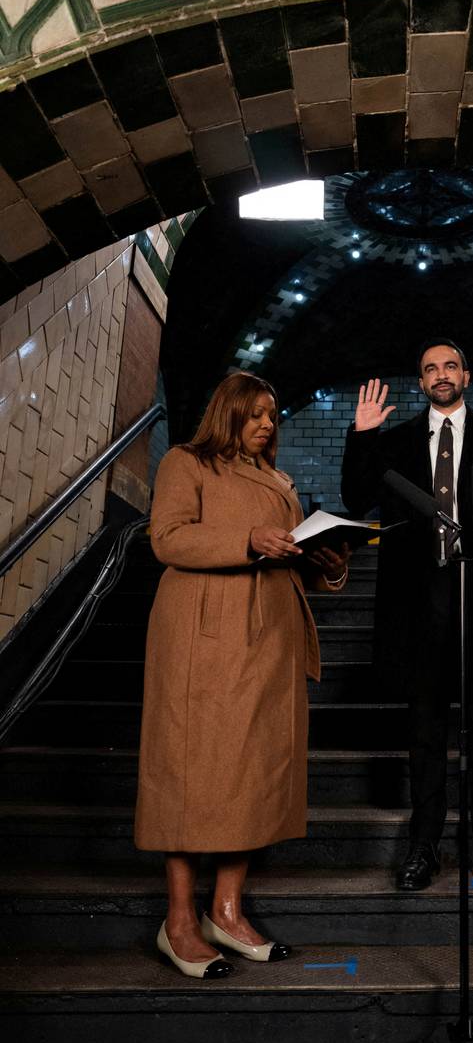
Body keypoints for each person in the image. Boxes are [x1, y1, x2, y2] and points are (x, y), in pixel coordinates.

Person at [135, 372, 349, 979]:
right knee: (191, 768)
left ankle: (226, 910)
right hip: (204, 639)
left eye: (272, 415)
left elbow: (287, 554)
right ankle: (179, 919)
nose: (266, 423)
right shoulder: (186, 461)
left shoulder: (278, 481)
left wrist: (326, 561)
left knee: (252, 770)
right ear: (227, 412)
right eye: (254, 413)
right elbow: (168, 538)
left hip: (269, 641)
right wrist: (248, 538)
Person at [341, 339, 473, 891]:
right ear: (421, 382)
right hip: (416, 608)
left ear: (467, 376)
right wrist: (361, 435)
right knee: (425, 735)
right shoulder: (397, 441)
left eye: (450, 365)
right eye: (430, 369)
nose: (441, 374)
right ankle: (423, 847)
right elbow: (355, 499)